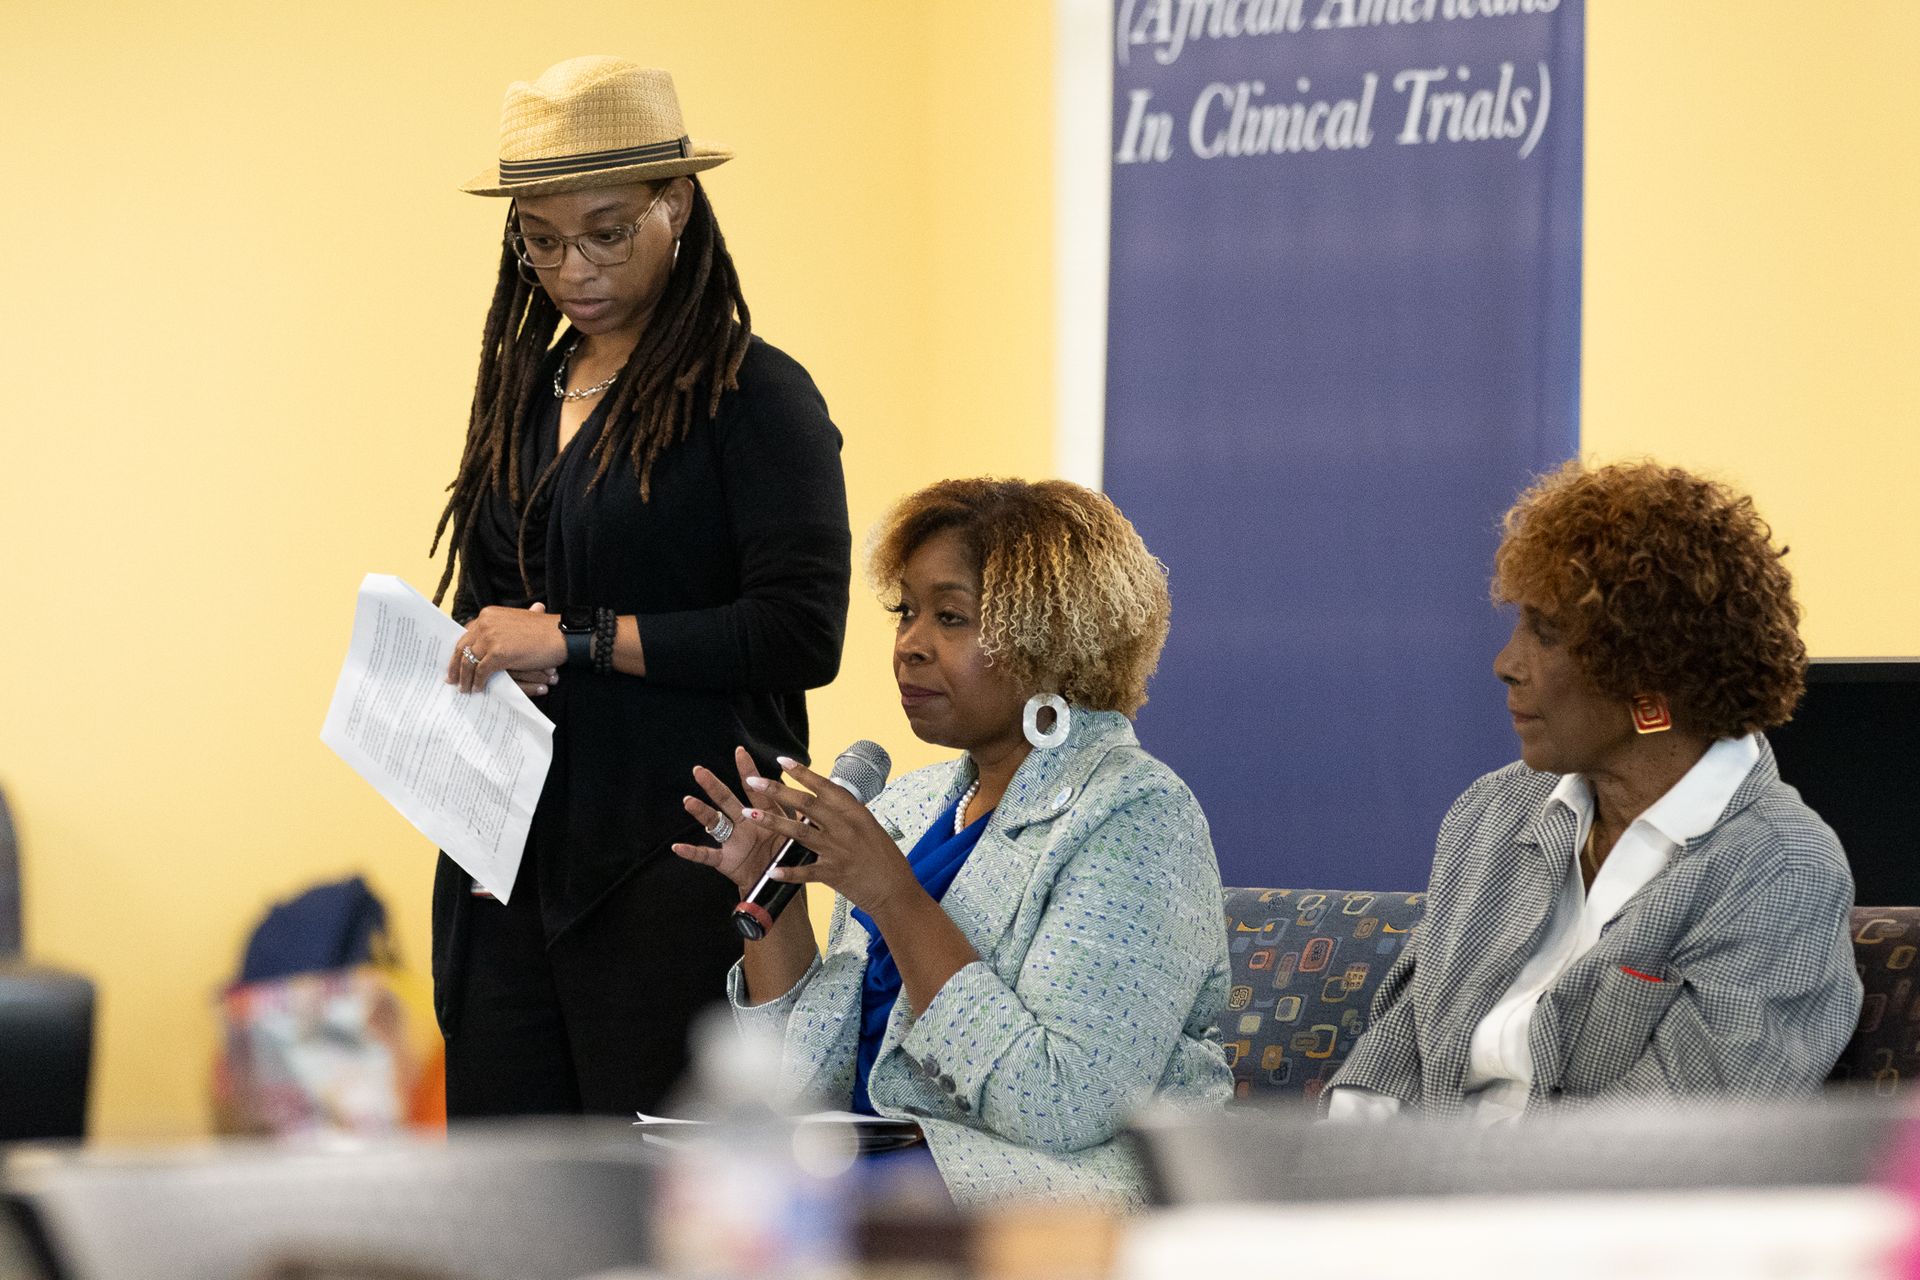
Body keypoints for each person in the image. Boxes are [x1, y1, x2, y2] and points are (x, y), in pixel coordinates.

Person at [427, 56, 851, 1118]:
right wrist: (478, 661)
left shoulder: (755, 396)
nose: (575, 266)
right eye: (541, 239)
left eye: (609, 230)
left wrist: (572, 638)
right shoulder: (522, 392)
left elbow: (801, 631)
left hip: (677, 860)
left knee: (658, 1204)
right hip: (509, 861)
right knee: (513, 1207)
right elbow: (493, 601)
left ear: (679, 205)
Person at [672, 479, 1232, 1206]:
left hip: (1059, 1197)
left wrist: (892, 897)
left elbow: (1060, 1104)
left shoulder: (1134, 814)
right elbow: (805, 1083)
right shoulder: (905, 805)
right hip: (874, 1175)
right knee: (692, 1189)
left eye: (951, 618)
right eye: (905, 612)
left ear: (1052, 641)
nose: (909, 646)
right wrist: (767, 897)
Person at [1328, 460, 1861, 1120]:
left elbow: (1666, 1154)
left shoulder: (1780, 872)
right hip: (1407, 1205)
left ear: (1647, 673)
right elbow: (1397, 1053)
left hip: (1571, 1215)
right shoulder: (1492, 813)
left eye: (1545, 634)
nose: (1506, 664)